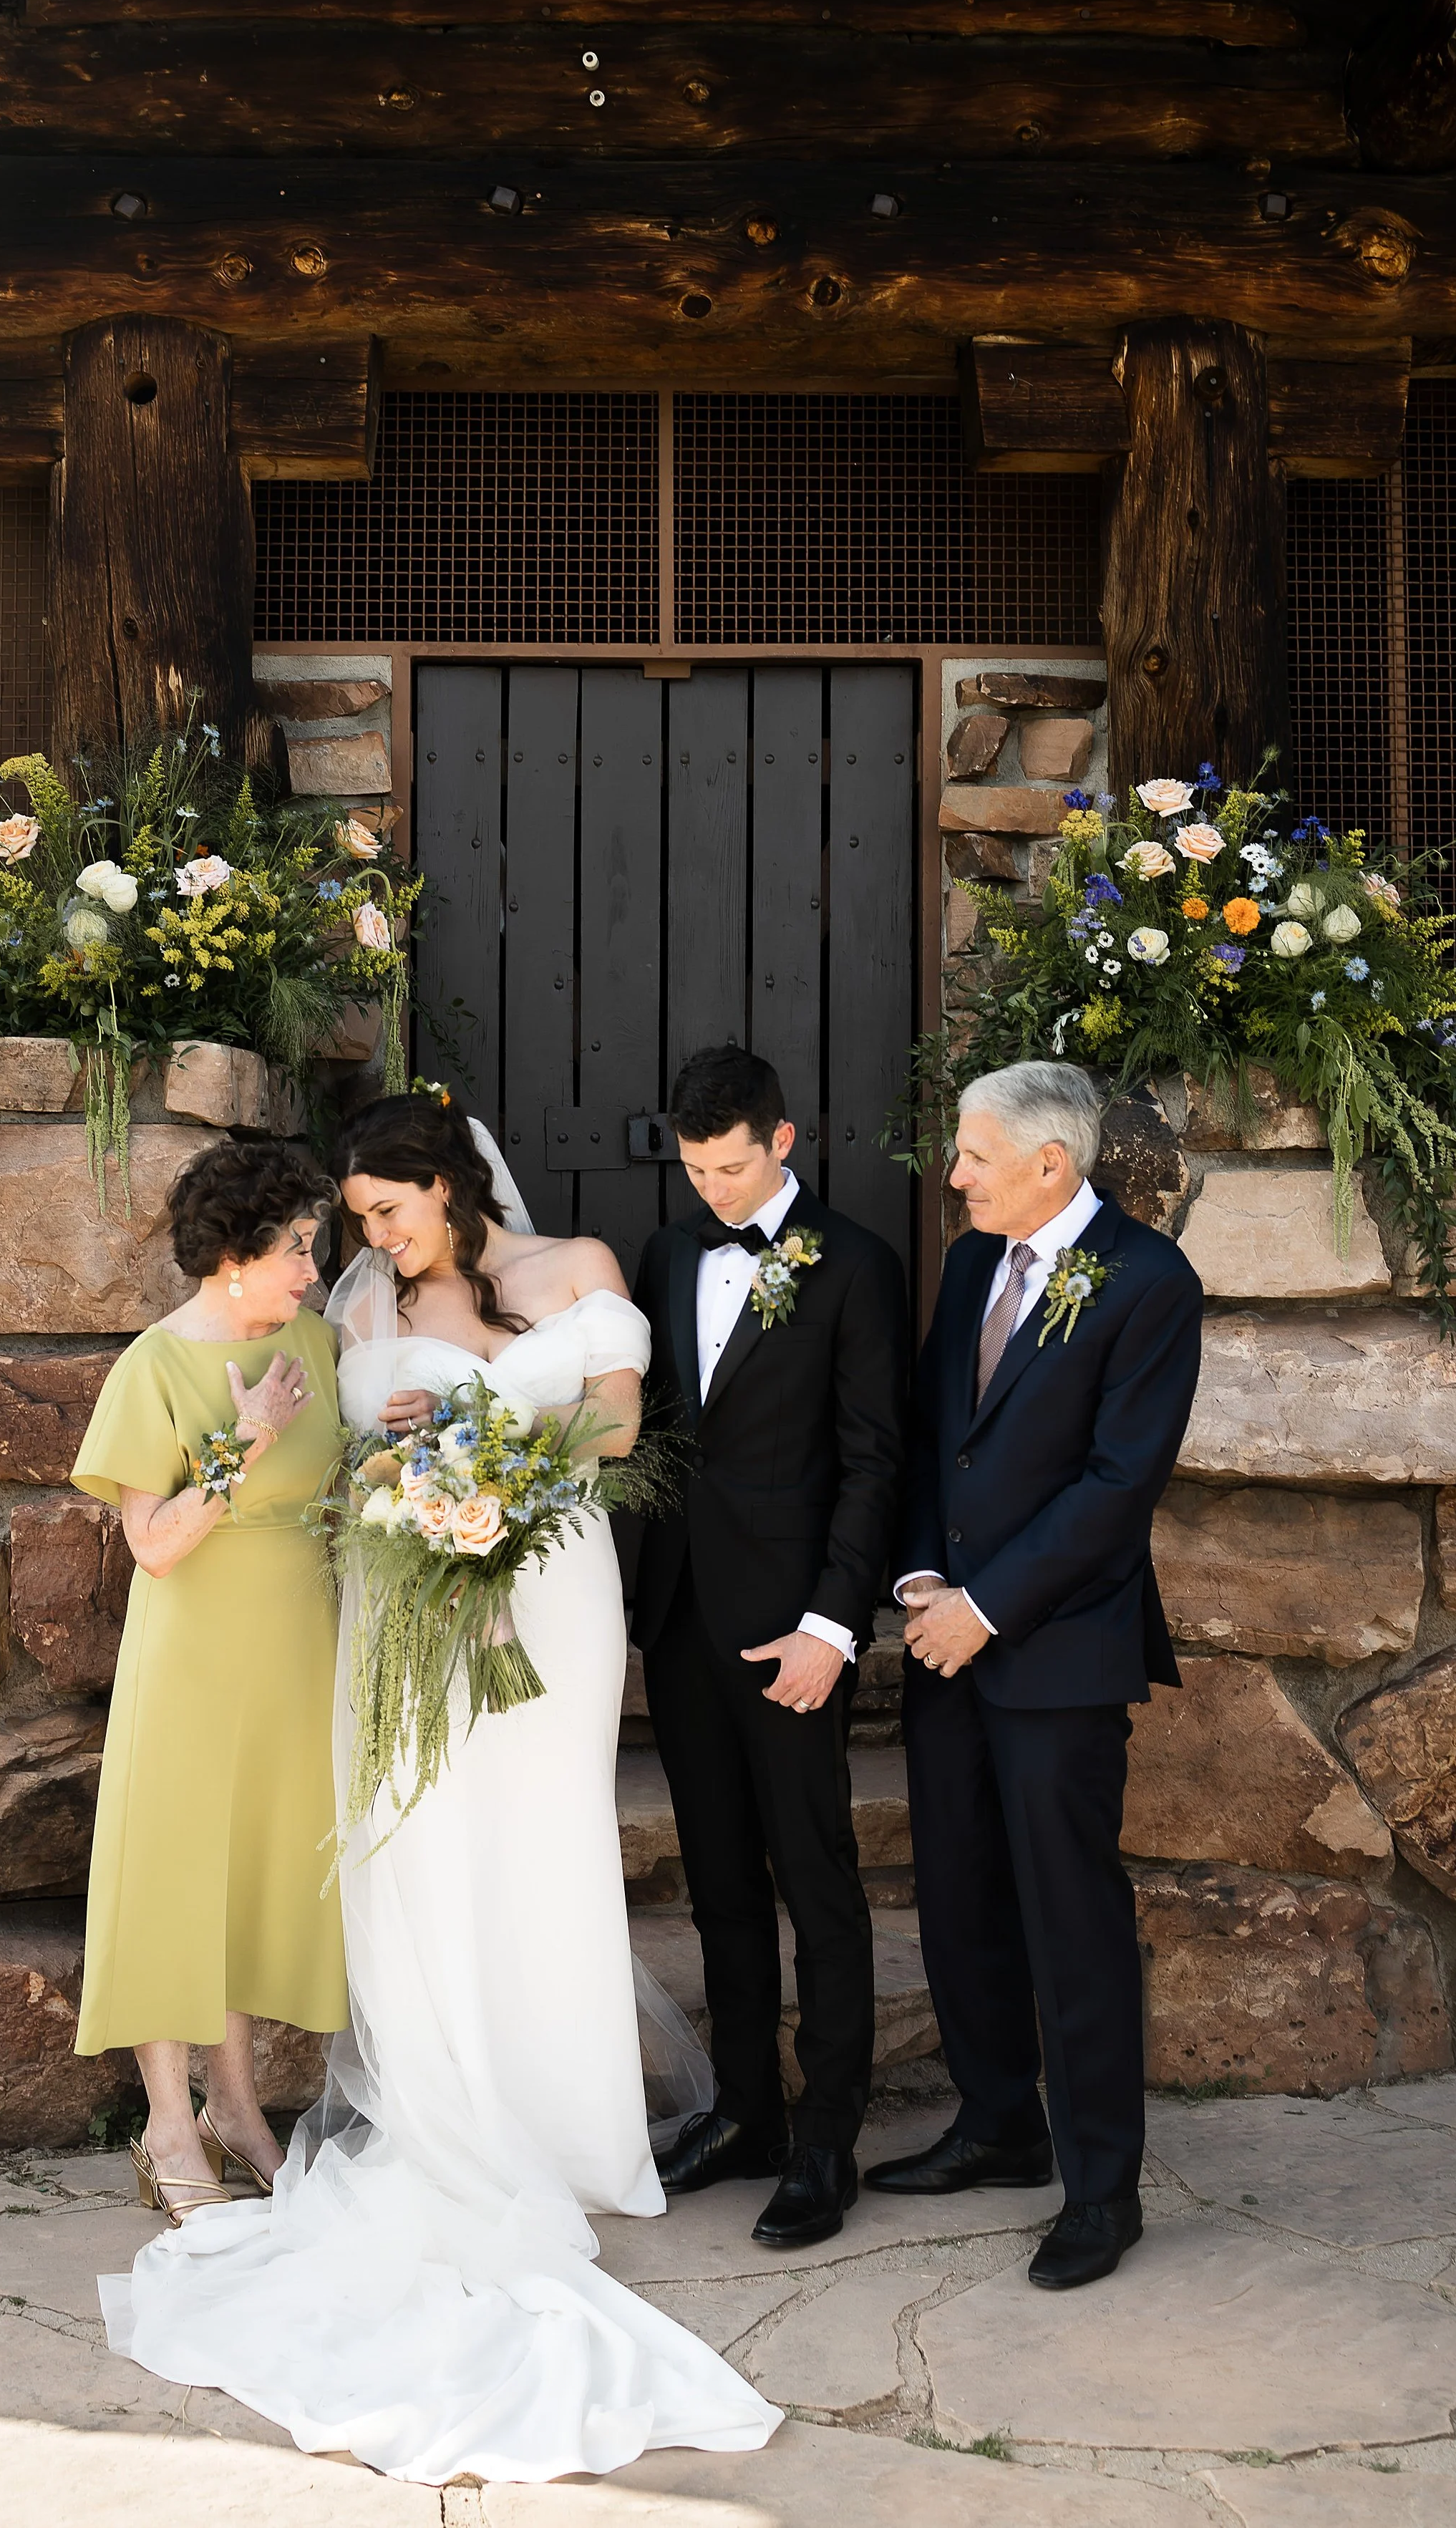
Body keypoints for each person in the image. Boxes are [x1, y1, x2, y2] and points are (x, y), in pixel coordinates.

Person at [97, 1087, 780, 2483]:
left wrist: (489, 1455)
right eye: (352, 1223)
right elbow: (323, 1471)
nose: (374, 1241)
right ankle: (436, 2104)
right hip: (407, 1603)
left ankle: (561, 2122)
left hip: (549, 1596)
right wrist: (399, 1449)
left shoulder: (572, 1271)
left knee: (543, 1848)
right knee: (417, 1849)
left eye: (388, 1211)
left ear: (450, 1185)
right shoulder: (352, 1314)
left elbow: (612, 1421)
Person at [868, 1060, 1202, 2290]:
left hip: (1056, 1651)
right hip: (942, 1636)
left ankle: (1102, 2187)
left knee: (1071, 1916)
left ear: (1048, 1166)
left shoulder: (1150, 1282)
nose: (951, 1174)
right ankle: (998, 2122)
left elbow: (1119, 1487)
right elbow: (930, 1439)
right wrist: (917, 1586)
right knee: (956, 1895)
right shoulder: (970, 1267)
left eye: (970, 1154)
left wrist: (988, 1609)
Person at [632, 1045, 907, 2250]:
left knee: (818, 1881)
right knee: (721, 1885)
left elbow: (874, 1462)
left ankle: (827, 2136)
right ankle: (745, 2107)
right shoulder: (666, 1253)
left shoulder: (858, 1267)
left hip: (798, 1628)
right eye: (696, 1169)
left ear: (783, 1142)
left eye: (733, 1166)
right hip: (687, 1620)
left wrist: (834, 1627)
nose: (715, 1191)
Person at [72, 1138, 348, 2226]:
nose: (312, 1270)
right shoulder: (153, 1364)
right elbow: (154, 1544)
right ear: (234, 1255)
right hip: (191, 1648)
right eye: (295, 1248)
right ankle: (167, 2126)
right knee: (175, 1873)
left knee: (250, 1875)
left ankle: (237, 2105)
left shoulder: (318, 1341)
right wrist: (246, 1441)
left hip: (294, 1644)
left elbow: (345, 1473)